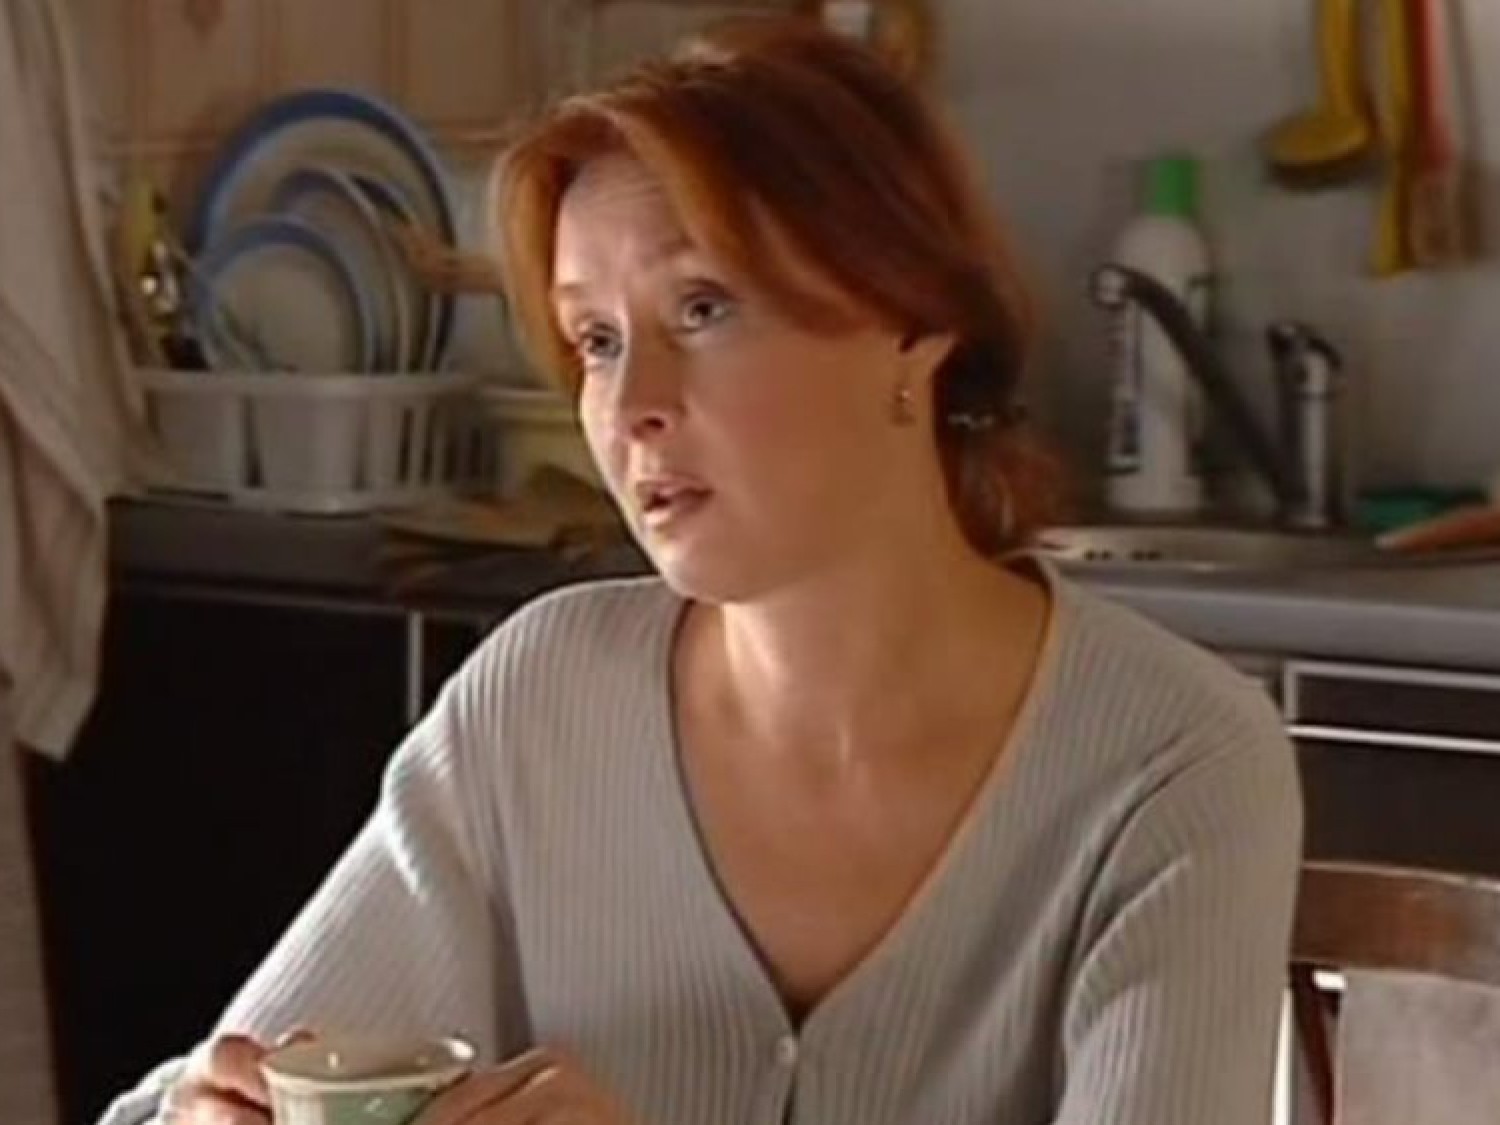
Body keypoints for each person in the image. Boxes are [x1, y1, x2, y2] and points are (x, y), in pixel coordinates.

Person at [106, 18, 1301, 1125]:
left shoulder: (1175, 756)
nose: (632, 405)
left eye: (704, 309)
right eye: (597, 339)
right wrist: (205, 1113)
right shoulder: (541, 700)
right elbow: (210, 1091)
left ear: (915, 323)